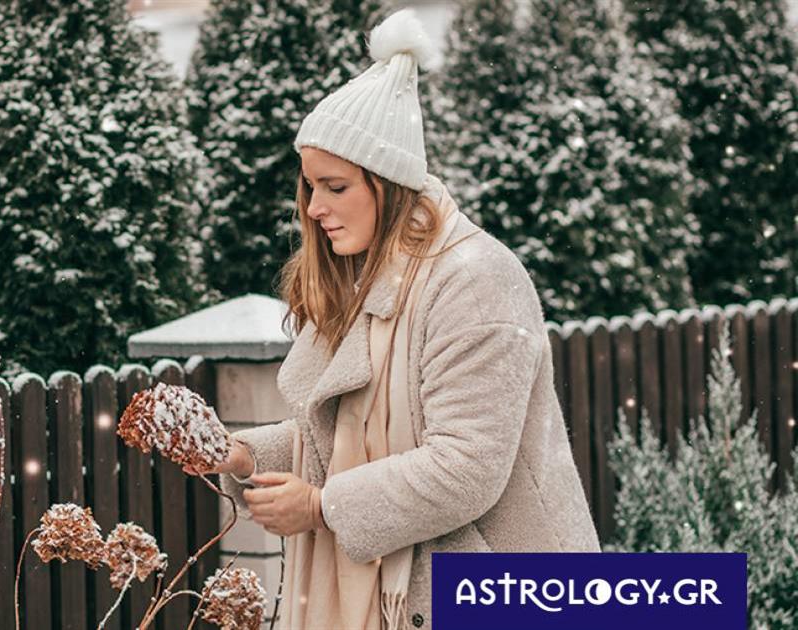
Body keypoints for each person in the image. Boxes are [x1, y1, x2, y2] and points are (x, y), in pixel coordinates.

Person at [183, 7, 601, 629]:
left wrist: (323, 508)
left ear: (389, 183)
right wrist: (243, 454)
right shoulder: (365, 282)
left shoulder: (476, 280)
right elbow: (341, 437)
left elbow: (465, 467)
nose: (315, 208)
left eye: (335, 186)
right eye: (310, 188)